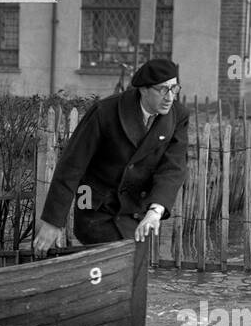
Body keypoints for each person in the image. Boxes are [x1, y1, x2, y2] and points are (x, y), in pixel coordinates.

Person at [33, 58, 189, 251]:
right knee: (110, 262)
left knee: (134, 267)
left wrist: (155, 212)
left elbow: (173, 168)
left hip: (135, 213)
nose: (170, 97)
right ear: (143, 89)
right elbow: (72, 165)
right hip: (96, 210)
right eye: (162, 90)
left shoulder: (178, 117)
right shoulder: (105, 112)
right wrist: (53, 222)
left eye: (174, 89)